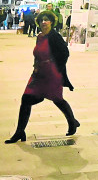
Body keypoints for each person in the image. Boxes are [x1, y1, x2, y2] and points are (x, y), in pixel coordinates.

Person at [5, 11, 79, 143]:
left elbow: (65, 53)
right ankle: (20, 132)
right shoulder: (39, 36)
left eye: (46, 20)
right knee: (26, 99)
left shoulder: (54, 37)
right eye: (41, 20)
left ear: (51, 22)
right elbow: (37, 53)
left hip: (52, 74)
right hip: (38, 74)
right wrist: (36, 65)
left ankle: (72, 122)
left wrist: (57, 68)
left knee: (57, 99)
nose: (43, 22)